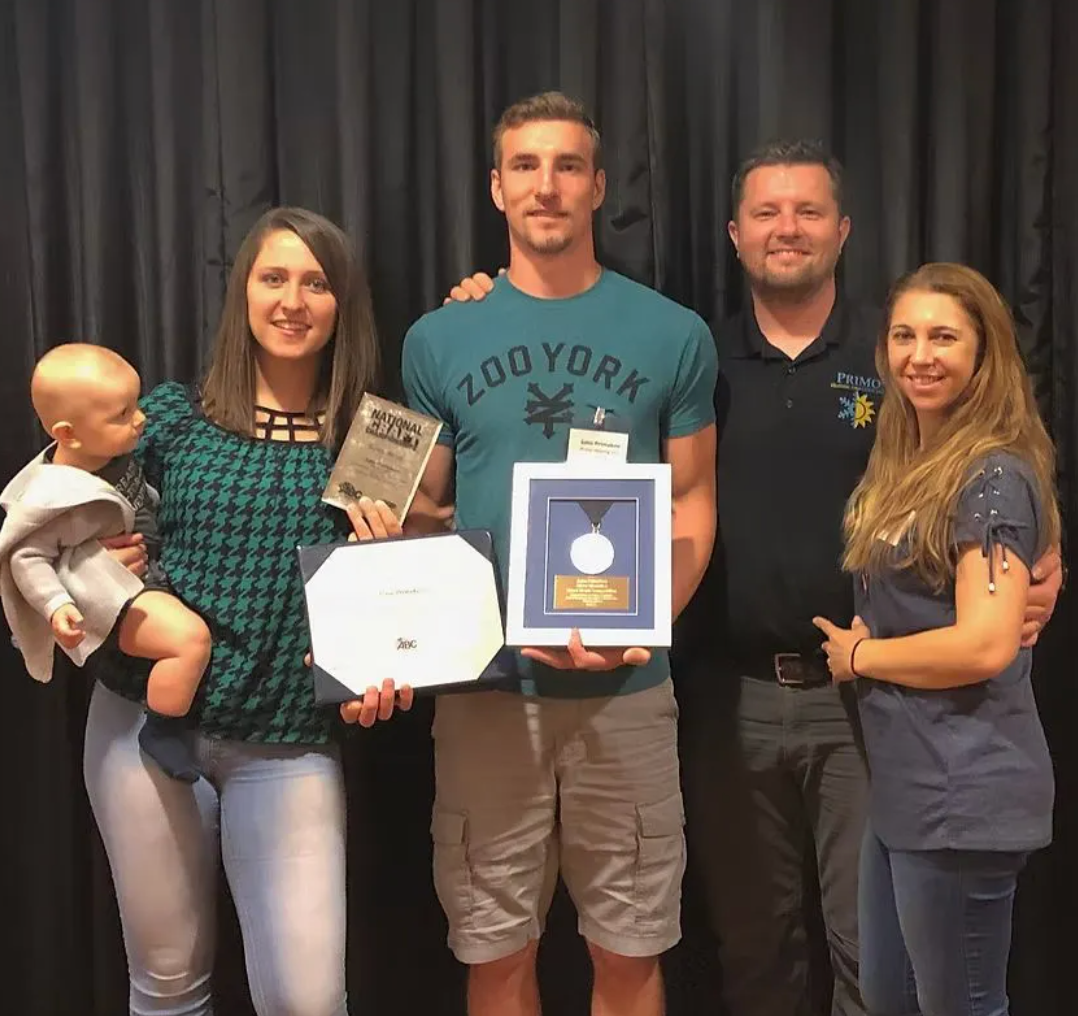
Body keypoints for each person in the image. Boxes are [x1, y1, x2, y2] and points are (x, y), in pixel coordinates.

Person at [448, 139, 1063, 1016]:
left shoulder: (893, 355)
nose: (788, 229)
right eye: (767, 213)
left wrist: (1043, 556)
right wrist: (484, 304)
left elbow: (988, 465)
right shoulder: (693, 352)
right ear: (735, 234)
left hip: (869, 700)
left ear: (843, 230)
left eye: (808, 211)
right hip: (728, 695)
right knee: (754, 949)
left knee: (876, 956)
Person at [391, 91, 718, 1016]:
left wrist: (641, 622)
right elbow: (420, 509)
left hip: (629, 692)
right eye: (526, 166)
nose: (547, 185)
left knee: (630, 949)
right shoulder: (438, 338)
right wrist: (389, 599)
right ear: (497, 188)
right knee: (495, 953)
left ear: (598, 186)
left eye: (568, 165)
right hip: (488, 696)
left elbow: (691, 500)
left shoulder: (673, 333)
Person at [81, 206, 411, 1015]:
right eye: (274, 278)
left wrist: (384, 655)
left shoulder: (375, 441)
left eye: (316, 283)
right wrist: (98, 559)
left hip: (289, 738)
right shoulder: (167, 417)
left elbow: (388, 605)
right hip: (145, 726)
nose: (293, 301)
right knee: (167, 988)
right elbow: (60, 512)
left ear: (342, 303)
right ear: (243, 292)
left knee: (308, 1001)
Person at [813, 262, 1059, 1016]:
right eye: (904, 336)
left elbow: (984, 646)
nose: (920, 355)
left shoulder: (990, 476)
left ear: (984, 353)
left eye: (944, 337)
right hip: (907, 787)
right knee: (888, 997)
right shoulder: (909, 464)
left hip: (964, 789)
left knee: (961, 1005)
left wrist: (862, 656)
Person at [1, 344, 211, 781]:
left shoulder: (111, 457)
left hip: (148, 574)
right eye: (122, 415)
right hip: (115, 596)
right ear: (69, 434)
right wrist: (57, 605)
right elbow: (26, 556)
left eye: (135, 405)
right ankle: (163, 727)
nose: (141, 419)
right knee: (190, 641)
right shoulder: (54, 498)